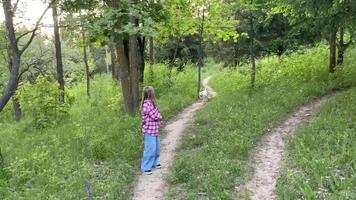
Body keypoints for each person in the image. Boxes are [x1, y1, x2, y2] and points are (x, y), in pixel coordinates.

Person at [140, 86, 163, 175]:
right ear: (150, 94)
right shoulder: (146, 104)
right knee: (150, 149)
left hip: (154, 129)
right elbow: (155, 115)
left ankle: (154, 162)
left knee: (156, 147)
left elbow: (157, 113)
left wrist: (158, 115)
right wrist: (159, 116)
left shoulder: (152, 103)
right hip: (149, 131)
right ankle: (145, 167)